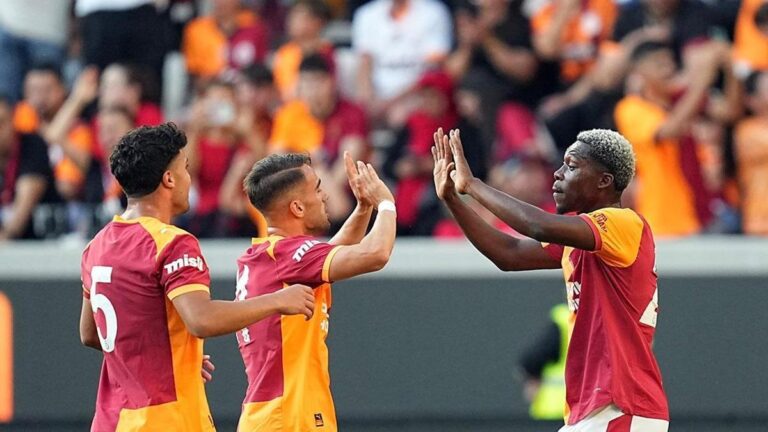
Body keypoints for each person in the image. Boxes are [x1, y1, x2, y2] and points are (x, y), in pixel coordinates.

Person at [79, 123, 316, 431]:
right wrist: (278, 300)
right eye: (186, 168)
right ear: (169, 179)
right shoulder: (171, 243)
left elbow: (90, 333)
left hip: (110, 421)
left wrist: (169, 356)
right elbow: (201, 319)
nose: (189, 179)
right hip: (166, 421)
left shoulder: (96, 245)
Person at [432, 128, 668, 431]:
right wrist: (453, 199)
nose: (557, 174)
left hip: (623, 404)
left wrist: (472, 185)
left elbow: (537, 226)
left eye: (571, 166)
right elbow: (509, 254)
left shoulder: (623, 222)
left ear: (604, 181)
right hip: (597, 409)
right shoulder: (580, 237)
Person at [235, 152, 396, 431]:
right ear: (297, 207)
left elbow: (333, 251)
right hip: (292, 417)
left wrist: (363, 208)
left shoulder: (269, 255)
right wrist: (386, 203)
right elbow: (376, 254)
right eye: (318, 189)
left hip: (272, 415)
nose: (325, 196)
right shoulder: (290, 255)